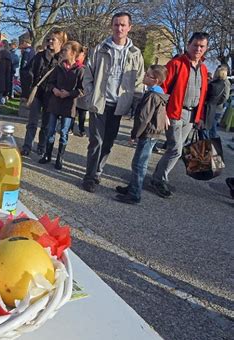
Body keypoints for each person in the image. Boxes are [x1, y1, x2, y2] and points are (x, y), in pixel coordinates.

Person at [82, 12, 144, 193]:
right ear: (112, 26)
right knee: (96, 141)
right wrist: (90, 94)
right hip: (99, 102)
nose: (119, 28)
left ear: (129, 27)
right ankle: (90, 176)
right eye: (116, 24)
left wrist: (135, 103)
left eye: (123, 25)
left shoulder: (135, 53)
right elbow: (88, 74)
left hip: (118, 105)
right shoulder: (100, 48)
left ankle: (98, 171)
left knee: (108, 143)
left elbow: (138, 81)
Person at [150, 32, 209, 198]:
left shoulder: (203, 68)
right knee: (175, 149)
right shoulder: (176, 63)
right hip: (176, 112)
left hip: (191, 115)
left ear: (206, 48)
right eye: (195, 45)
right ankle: (158, 179)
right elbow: (164, 88)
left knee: (177, 149)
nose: (198, 49)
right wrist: (163, 112)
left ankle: (160, 176)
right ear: (188, 45)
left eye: (202, 46)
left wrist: (200, 117)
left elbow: (202, 94)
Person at [114, 65, 169, 204]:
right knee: (138, 163)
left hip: (148, 133)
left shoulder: (152, 95)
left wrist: (134, 135)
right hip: (152, 132)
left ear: (155, 80)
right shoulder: (157, 93)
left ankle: (134, 194)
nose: (144, 76)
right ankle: (132, 187)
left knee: (139, 164)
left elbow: (143, 118)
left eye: (147, 75)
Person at [39, 41, 84, 170]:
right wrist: (54, 90)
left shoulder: (80, 70)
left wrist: (69, 94)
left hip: (68, 105)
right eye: (62, 50)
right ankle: (47, 154)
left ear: (73, 53)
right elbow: (50, 83)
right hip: (55, 102)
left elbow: (82, 90)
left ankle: (60, 157)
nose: (62, 52)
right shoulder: (58, 68)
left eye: (65, 50)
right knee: (50, 129)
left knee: (64, 132)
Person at [21, 30, 67, 157]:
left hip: (52, 96)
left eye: (53, 40)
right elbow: (28, 72)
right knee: (32, 122)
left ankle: (42, 146)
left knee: (46, 124)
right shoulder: (39, 56)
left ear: (61, 43)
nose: (50, 42)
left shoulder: (62, 60)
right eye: (49, 39)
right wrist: (28, 90)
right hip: (38, 93)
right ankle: (27, 146)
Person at [204, 65, 230, 138]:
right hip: (216, 107)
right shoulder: (217, 81)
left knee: (212, 127)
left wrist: (216, 102)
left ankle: (212, 144)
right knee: (211, 126)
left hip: (216, 108)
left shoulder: (225, 82)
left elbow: (225, 97)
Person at [70, 46, 89, 137]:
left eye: (80, 54)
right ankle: (70, 128)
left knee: (82, 114)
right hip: (74, 92)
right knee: (73, 111)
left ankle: (81, 129)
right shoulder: (73, 64)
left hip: (83, 94)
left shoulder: (86, 66)